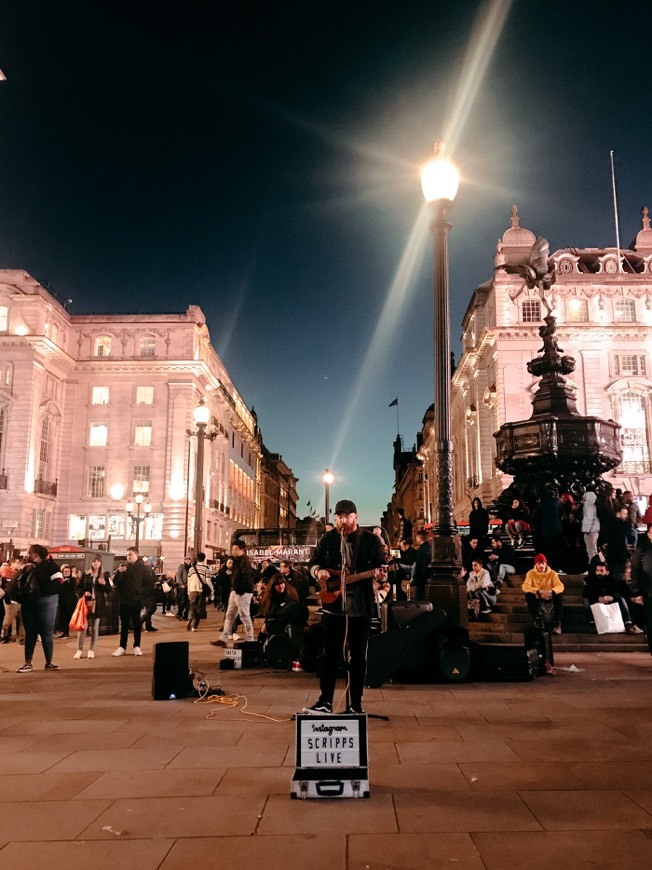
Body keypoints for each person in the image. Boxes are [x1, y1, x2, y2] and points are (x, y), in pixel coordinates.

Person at [304, 499, 387, 715]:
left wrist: (381, 574)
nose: (342, 521)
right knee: (329, 655)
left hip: (360, 607)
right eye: (339, 517)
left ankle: (355, 704)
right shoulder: (328, 539)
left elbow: (383, 566)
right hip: (334, 607)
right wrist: (317, 572)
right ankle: (325, 701)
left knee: (358, 657)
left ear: (356, 517)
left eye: (347, 517)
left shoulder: (370, 540)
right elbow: (313, 562)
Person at [15, 544, 63, 672]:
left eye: (29, 553)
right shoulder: (28, 568)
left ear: (36, 555)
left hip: (46, 602)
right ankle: (28, 662)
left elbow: (58, 585)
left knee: (46, 632)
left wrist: (38, 574)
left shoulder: (52, 567)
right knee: (30, 633)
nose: (27, 555)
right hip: (30, 602)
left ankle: (48, 662)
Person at [211, 540, 256, 646]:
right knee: (229, 615)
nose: (233, 551)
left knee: (244, 615)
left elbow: (247, 577)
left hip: (242, 592)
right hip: (235, 591)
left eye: (236, 549)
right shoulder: (236, 561)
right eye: (233, 549)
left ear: (242, 550)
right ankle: (224, 637)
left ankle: (250, 638)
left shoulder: (245, 561)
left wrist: (241, 589)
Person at [258, 571, 308, 665]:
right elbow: (270, 613)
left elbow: (296, 611)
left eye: (282, 583)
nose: (281, 586)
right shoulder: (271, 597)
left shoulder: (291, 594)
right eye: (277, 585)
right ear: (273, 586)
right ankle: (258, 651)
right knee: (264, 628)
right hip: (277, 621)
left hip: (291, 621)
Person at [584, 558, 642, 635]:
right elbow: (586, 593)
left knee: (621, 599)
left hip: (610, 601)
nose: (599, 573)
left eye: (601, 571)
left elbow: (617, 592)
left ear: (607, 572)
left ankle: (628, 624)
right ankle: (593, 625)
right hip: (596, 601)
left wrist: (611, 597)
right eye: (597, 570)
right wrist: (598, 598)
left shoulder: (611, 580)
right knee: (586, 600)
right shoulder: (591, 580)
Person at [74, 557, 113, 658]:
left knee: (95, 628)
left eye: (98, 562)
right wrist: (84, 592)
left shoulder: (105, 575)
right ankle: (79, 649)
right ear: (91, 563)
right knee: (83, 627)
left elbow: (109, 590)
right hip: (87, 603)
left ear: (100, 563)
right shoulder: (86, 574)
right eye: (94, 562)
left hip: (98, 604)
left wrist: (104, 584)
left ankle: (91, 650)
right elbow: (78, 588)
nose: (96, 563)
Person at [112, 547, 146, 656]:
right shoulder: (124, 566)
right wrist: (119, 572)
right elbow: (116, 582)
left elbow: (146, 583)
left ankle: (137, 646)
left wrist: (141, 593)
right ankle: (122, 646)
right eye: (127, 555)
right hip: (124, 599)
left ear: (136, 555)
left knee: (136, 623)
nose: (128, 557)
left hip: (136, 599)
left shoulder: (142, 567)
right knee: (124, 624)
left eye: (130, 554)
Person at [522, 553, 565, 634]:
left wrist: (551, 591)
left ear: (546, 564)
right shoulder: (530, 573)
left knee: (559, 594)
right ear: (536, 564)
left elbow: (560, 586)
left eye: (543, 563)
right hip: (537, 596)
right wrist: (538, 591)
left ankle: (557, 623)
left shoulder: (552, 573)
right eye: (539, 563)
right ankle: (537, 619)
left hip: (550, 595)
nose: (541, 565)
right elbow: (525, 586)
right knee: (528, 594)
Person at [630, 523, 652, 654]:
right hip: (648, 592)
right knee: (650, 626)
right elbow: (635, 569)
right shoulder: (643, 548)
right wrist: (637, 591)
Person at [187, 552, 212, 631]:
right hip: (201, 591)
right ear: (204, 559)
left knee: (192, 606)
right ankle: (194, 626)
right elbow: (208, 582)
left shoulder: (191, 569)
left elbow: (189, 581)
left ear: (196, 559)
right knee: (199, 609)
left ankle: (190, 617)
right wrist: (211, 593)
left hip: (192, 590)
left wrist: (188, 591)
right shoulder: (206, 569)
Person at [1, 556, 23, 643]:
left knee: (22, 618)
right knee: (8, 620)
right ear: (12, 563)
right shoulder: (5, 571)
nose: (19, 565)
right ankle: (5, 636)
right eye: (17, 563)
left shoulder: (20, 573)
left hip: (20, 599)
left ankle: (21, 637)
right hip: (9, 599)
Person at [55, 564, 78, 639]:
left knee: (67, 617)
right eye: (65, 571)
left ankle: (66, 633)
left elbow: (73, 588)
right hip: (61, 600)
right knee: (62, 616)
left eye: (68, 571)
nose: (66, 573)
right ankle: (63, 631)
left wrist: (66, 582)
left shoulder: (72, 579)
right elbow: (57, 588)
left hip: (70, 601)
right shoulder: (60, 579)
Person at [410, 529, 431, 600]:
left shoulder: (421, 551)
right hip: (428, 579)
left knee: (418, 602)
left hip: (421, 582)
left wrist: (416, 581)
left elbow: (420, 567)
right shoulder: (429, 548)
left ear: (419, 538)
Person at [581, 491, 600, 561]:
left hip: (591, 531)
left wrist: (587, 530)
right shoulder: (593, 506)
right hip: (594, 531)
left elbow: (589, 519)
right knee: (593, 549)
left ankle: (593, 565)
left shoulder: (588, 507)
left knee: (591, 550)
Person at [175, 556, 191, 621]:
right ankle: (179, 613)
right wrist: (181, 584)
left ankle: (185, 615)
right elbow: (178, 575)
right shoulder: (182, 566)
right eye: (186, 559)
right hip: (183, 586)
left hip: (189, 586)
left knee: (188, 601)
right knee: (183, 600)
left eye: (189, 559)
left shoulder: (191, 567)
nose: (188, 560)